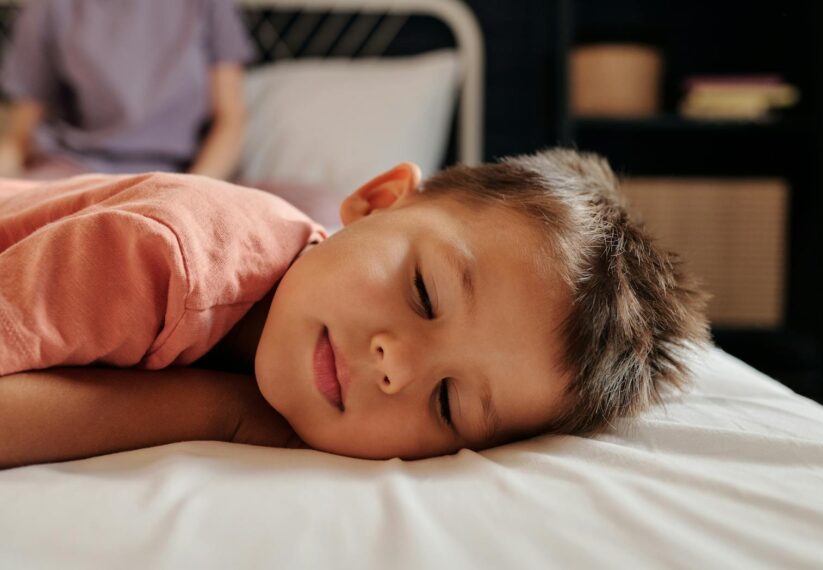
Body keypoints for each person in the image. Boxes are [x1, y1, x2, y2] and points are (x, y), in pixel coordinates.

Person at [0, 149, 709, 468]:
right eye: (425, 292)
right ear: (376, 201)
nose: (396, 365)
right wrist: (219, 411)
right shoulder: (173, 253)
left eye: (448, 404)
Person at [0, 0, 253, 180]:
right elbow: (20, 134)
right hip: (72, 171)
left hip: (179, 176)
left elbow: (230, 121)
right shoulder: (48, 7)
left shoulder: (208, 5)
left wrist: (194, 189)